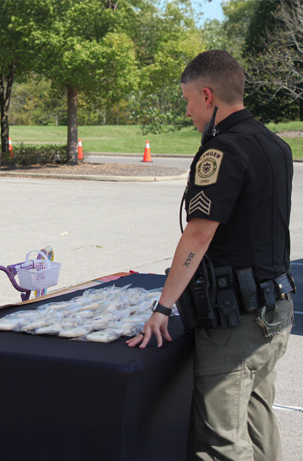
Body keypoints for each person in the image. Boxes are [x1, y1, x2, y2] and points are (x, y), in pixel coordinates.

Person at [127, 50, 294, 460]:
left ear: (207, 95)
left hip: (236, 320)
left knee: (220, 440)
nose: (187, 111)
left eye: (187, 100)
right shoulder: (275, 144)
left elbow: (198, 235)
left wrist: (163, 307)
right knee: (257, 418)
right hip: (274, 309)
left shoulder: (222, 151)